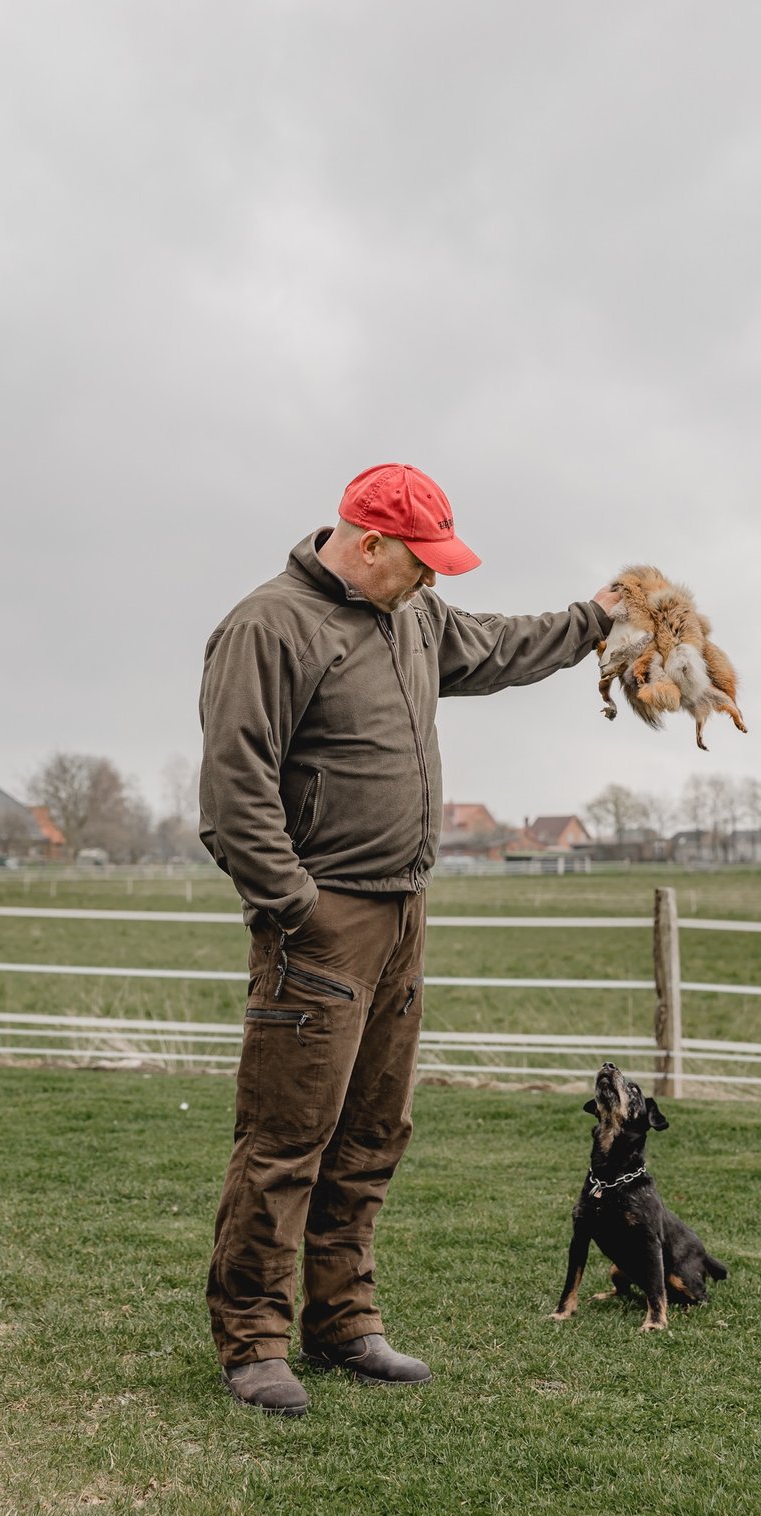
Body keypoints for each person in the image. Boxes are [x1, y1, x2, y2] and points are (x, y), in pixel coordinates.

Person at [199, 462, 616, 1417]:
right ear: (369, 542)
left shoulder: (414, 616)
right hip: (323, 920)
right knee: (286, 1137)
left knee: (374, 1129)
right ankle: (253, 1340)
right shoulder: (269, 626)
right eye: (419, 562)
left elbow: (501, 645)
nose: (433, 580)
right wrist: (295, 905)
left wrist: (593, 617)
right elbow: (234, 787)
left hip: (403, 912)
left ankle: (344, 1320)